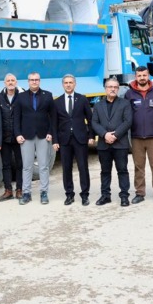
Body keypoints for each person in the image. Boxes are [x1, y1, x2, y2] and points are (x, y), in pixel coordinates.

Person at [124, 66, 153, 205]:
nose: (142, 78)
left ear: (148, 76)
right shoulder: (129, 94)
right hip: (136, 137)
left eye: (144, 75)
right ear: (136, 77)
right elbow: (127, 115)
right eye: (139, 75)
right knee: (138, 166)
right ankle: (140, 193)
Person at [13, 72, 56, 205]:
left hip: (44, 135)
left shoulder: (48, 95)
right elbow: (16, 118)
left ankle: (44, 192)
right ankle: (26, 193)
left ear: (40, 81)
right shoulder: (20, 97)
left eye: (36, 80)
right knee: (27, 166)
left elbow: (53, 117)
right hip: (26, 136)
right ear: (28, 82)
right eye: (32, 80)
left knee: (43, 165)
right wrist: (18, 134)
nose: (34, 82)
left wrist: (51, 132)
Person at [91, 78, 132, 207]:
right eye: (110, 87)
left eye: (115, 87)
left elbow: (128, 121)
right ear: (105, 88)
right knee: (105, 171)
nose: (113, 89)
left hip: (120, 143)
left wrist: (115, 135)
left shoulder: (125, 104)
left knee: (122, 170)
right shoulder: (98, 106)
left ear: (118, 89)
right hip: (104, 144)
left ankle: (124, 196)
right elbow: (94, 123)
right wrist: (104, 134)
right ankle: (105, 195)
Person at [53, 74, 92, 206]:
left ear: (75, 84)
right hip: (64, 141)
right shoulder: (57, 102)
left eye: (70, 82)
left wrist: (91, 136)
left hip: (80, 139)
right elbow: (54, 123)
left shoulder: (82, 99)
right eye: (66, 83)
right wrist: (55, 141)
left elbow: (91, 120)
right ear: (62, 85)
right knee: (66, 168)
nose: (68, 85)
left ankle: (85, 195)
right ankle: (69, 194)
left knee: (83, 167)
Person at [0, 74, 24, 201]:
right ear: (4, 82)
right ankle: (8, 190)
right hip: (4, 137)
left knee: (20, 164)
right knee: (5, 165)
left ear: (16, 82)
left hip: (19, 137)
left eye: (13, 80)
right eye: (8, 81)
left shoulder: (22, 97)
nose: (10, 82)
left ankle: (19, 189)